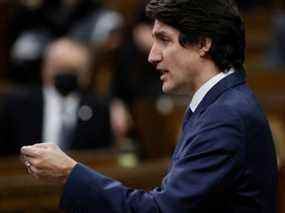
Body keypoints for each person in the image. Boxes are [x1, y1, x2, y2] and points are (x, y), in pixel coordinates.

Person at [21, 0, 277, 212]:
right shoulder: (218, 104)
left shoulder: (226, 115)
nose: (152, 55)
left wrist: (70, 173)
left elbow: (162, 210)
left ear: (202, 43)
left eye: (164, 40)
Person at [0, 38, 113, 154]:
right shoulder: (18, 105)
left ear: (86, 75)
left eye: (72, 70)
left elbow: (102, 155)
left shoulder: (98, 109)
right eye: (59, 68)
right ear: (45, 69)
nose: (65, 75)